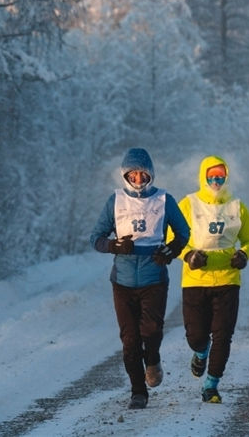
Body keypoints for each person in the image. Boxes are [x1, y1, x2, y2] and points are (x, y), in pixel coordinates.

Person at [89, 148, 190, 410]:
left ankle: (153, 359)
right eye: (132, 174)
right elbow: (96, 238)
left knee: (151, 331)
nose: (137, 179)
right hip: (122, 281)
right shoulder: (115, 200)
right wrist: (114, 246)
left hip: (154, 277)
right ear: (125, 175)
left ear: (150, 175)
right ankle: (138, 391)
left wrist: (172, 250)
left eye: (141, 174)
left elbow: (183, 232)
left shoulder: (165, 199)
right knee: (130, 339)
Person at [177, 155, 249, 404]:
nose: (215, 180)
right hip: (195, 280)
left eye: (220, 176)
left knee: (223, 335)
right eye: (211, 176)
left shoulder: (237, 206)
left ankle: (211, 385)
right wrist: (188, 255)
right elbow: (174, 236)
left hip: (228, 280)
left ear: (226, 177)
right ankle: (201, 353)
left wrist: (243, 255)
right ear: (203, 177)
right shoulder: (188, 204)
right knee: (196, 336)